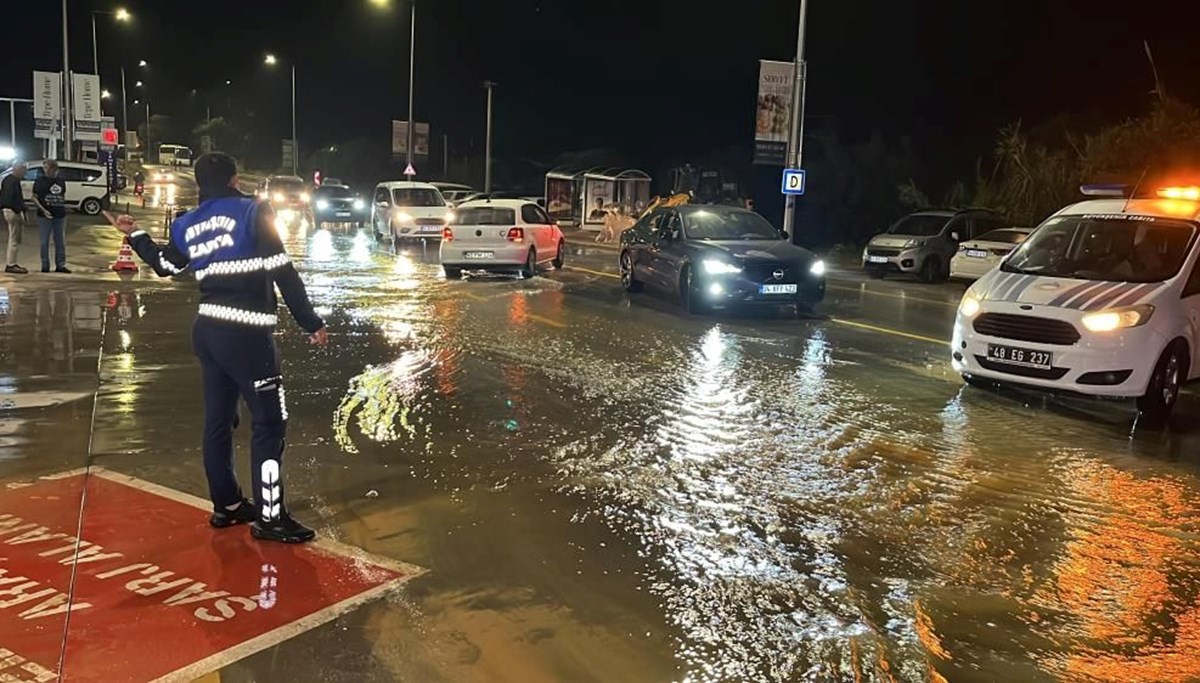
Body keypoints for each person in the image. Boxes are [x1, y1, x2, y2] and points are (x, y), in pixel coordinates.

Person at [105, 152, 328, 544]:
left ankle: (227, 506)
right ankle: (271, 518)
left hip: (208, 332)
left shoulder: (187, 222)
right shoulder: (253, 211)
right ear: (234, 179)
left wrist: (135, 234)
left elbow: (165, 267)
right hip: (248, 336)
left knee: (218, 422)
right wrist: (311, 321)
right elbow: (283, 271)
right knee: (270, 423)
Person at [32, 160, 69, 273]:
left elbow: (62, 196)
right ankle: (45, 264)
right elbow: (34, 197)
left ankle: (60, 265)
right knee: (44, 241)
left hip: (60, 215)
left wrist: (62, 207)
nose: (45, 170)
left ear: (54, 169)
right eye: (44, 168)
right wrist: (43, 210)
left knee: (60, 241)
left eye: (47, 168)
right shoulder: (39, 181)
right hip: (44, 216)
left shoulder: (61, 181)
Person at [0, 162, 28, 274]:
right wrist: (18, 210)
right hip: (12, 211)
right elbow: (10, 198)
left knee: (14, 238)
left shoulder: (8, 180)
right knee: (14, 239)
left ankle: (11, 263)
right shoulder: (12, 181)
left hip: (9, 210)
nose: (24, 173)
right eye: (24, 171)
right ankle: (11, 264)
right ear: (18, 169)